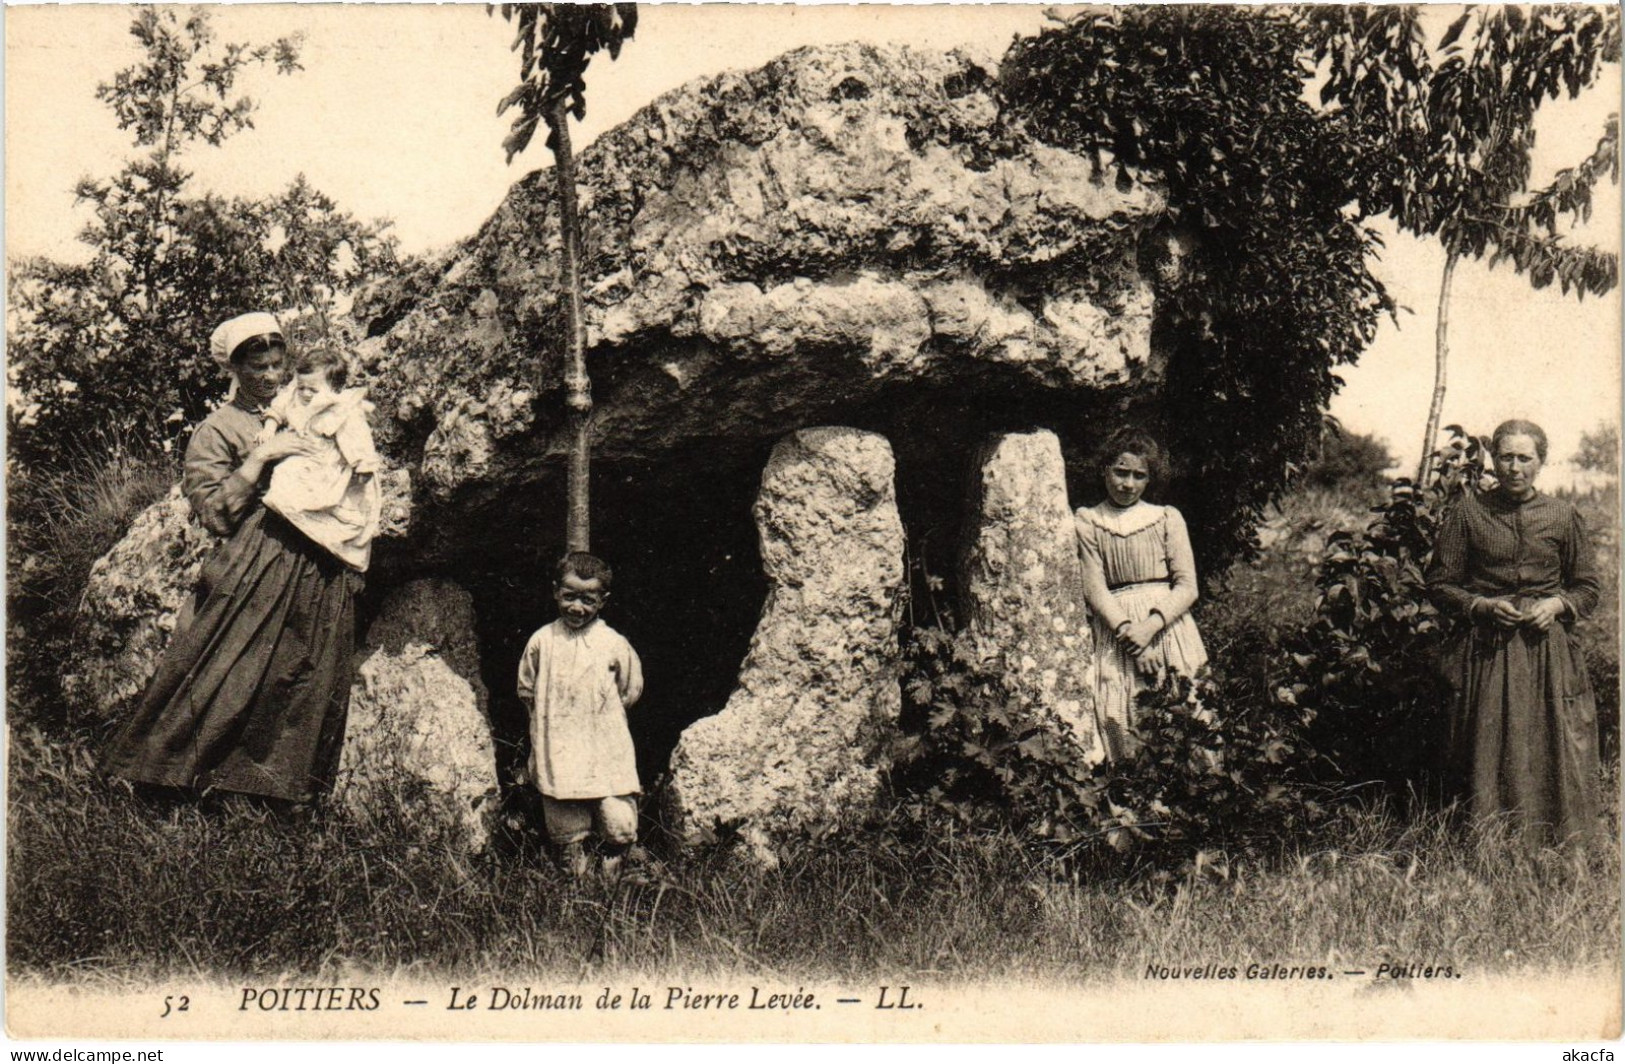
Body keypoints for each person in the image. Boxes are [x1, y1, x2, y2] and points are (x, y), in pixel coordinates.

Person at [103, 312, 364, 810]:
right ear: (235, 370)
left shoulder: (309, 406)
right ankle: (164, 785)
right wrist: (262, 456)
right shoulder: (218, 430)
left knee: (301, 681)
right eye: (257, 368)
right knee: (227, 677)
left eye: (276, 364)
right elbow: (216, 513)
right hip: (252, 564)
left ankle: (273, 798)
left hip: (318, 564)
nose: (270, 376)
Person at [1426, 419, 1602, 848]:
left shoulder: (1562, 515)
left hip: (1547, 651)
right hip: (1488, 650)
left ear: (1541, 461)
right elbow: (1439, 583)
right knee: (1488, 744)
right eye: (1506, 456)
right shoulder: (1468, 513)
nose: (1514, 467)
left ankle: (1557, 846)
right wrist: (1481, 606)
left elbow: (1588, 586)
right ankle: (1489, 847)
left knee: (1554, 742)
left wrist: (1558, 605)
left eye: (1525, 458)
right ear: (1492, 458)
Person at [1075, 429, 1208, 759]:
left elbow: (1188, 586)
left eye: (1139, 476)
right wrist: (1128, 635)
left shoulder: (1166, 518)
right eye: (1121, 472)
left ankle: (1196, 800)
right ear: (1105, 469)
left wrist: (1148, 629)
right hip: (1117, 629)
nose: (1128, 484)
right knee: (1119, 715)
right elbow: (1094, 588)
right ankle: (1135, 801)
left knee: (1184, 707)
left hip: (1167, 626)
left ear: (1150, 479)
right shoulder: (1088, 520)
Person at [517, 552, 645, 877]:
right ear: (555, 592)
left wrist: (600, 716)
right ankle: (576, 890)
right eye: (569, 596)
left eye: (588, 599)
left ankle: (615, 884)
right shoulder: (542, 642)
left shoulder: (613, 643)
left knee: (619, 823)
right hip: (559, 749)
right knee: (567, 827)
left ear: (603, 600)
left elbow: (631, 690)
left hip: (605, 748)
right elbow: (526, 689)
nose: (577, 607)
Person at [258, 345, 381, 573]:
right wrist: (269, 426)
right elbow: (279, 408)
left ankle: (322, 534)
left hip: (328, 464)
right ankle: (294, 520)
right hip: (304, 457)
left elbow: (357, 438)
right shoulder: (296, 397)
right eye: (301, 386)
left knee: (332, 501)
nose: (305, 394)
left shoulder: (342, 409)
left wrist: (362, 464)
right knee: (284, 477)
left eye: (312, 390)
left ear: (333, 388)